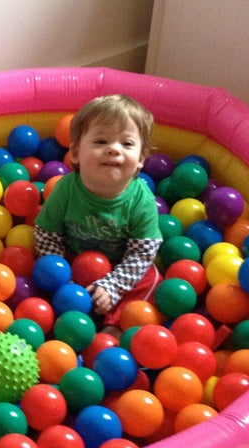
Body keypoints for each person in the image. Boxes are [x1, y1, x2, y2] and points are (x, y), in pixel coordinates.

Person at [34, 94, 163, 332]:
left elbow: (142, 253)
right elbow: (46, 233)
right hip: (73, 260)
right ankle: (63, 321)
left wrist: (114, 285)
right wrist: (65, 278)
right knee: (43, 272)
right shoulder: (65, 189)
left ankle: (115, 327)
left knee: (152, 279)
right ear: (75, 153)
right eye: (101, 141)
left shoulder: (142, 199)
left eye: (127, 144)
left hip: (120, 266)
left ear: (140, 160)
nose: (114, 149)